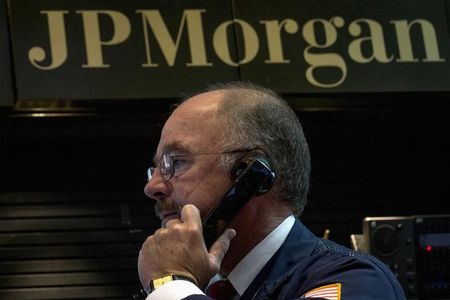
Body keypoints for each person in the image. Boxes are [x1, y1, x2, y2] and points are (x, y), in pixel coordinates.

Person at [137, 81, 406, 299]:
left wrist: (171, 284)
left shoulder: (354, 280)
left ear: (253, 173)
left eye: (176, 162)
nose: (153, 186)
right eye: (156, 168)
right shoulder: (203, 289)